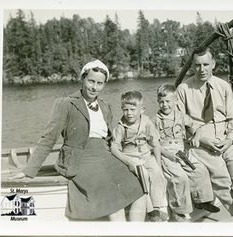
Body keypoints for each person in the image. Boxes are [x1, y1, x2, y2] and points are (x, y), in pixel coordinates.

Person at [10, 59, 146, 221]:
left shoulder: (105, 106)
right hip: (80, 159)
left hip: (105, 156)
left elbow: (110, 140)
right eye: (91, 81)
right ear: (82, 79)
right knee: (114, 204)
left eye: (100, 83)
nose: (95, 87)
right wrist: (29, 170)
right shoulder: (65, 104)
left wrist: (128, 158)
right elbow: (48, 139)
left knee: (139, 191)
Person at [176, 48, 233, 216]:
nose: (201, 69)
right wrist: (203, 140)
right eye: (197, 65)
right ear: (192, 67)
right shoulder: (183, 90)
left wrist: (230, 139)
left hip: (226, 139)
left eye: (205, 64)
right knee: (222, 181)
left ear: (213, 64)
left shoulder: (223, 86)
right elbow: (179, 125)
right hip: (201, 144)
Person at [152, 84, 220, 222]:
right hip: (167, 155)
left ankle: (202, 201)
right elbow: (155, 144)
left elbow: (198, 128)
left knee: (199, 170)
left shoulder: (181, 116)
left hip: (182, 152)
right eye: (161, 102)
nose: (165, 105)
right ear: (158, 102)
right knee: (180, 178)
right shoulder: (155, 121)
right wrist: (168, 155)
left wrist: (196, 137)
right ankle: (179, 211)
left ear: (175, 101)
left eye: (168, 101)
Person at [110, 90, 168, 222]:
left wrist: (158, 164)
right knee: (144, 176)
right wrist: (127, 161)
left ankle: (157, 207)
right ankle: (150, 210)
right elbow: (114, 147)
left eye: (132, 109)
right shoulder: (121, 127)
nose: (129, 113)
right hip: (130, 158)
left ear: (141, 109)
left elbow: (155, 144)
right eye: (125, 110)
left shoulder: (147, 123)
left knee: (157, 173)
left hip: (146, 156)